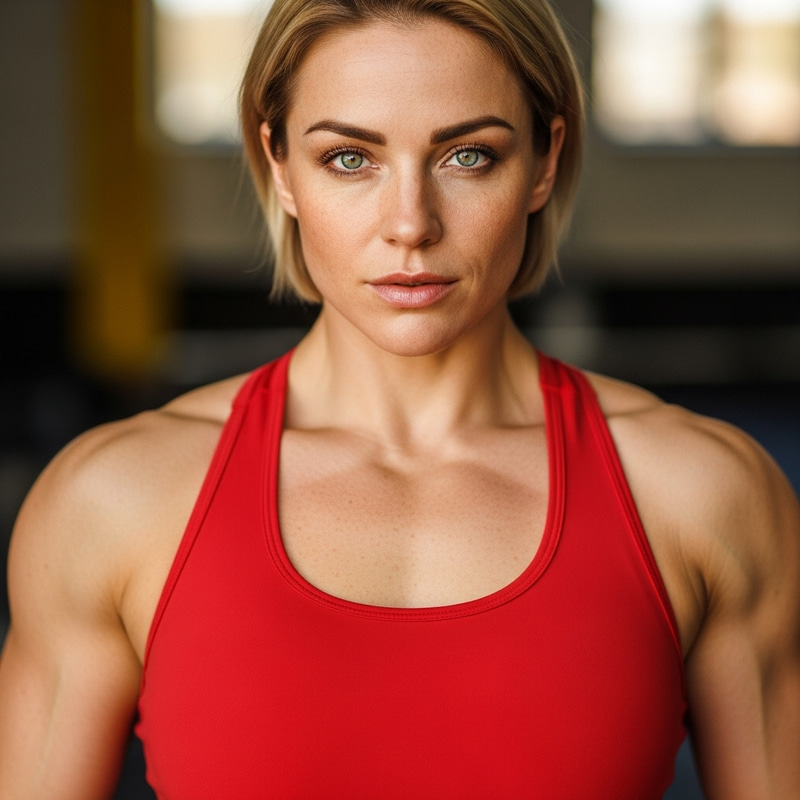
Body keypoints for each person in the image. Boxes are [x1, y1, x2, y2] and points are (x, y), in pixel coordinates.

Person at [1, 0, 799, 796]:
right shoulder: (111, 500)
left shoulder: (703, 494)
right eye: (351, 158)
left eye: (469, 156)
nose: (411, 224)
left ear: (544, 163)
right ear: (278, 165)